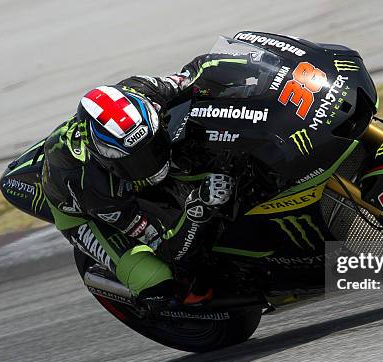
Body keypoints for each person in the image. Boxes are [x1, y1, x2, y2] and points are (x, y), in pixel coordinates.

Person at [41, 56, 240, 310]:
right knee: (157, 283)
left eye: (151, 149)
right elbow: (166, 244)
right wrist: (199, 207)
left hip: (113, 168)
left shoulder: (143, 91)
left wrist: (240, 69)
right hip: (82, 212)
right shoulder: (95, 187)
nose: (150, 164)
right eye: (134, 161)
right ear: (107, 160)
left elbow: (197, 72)